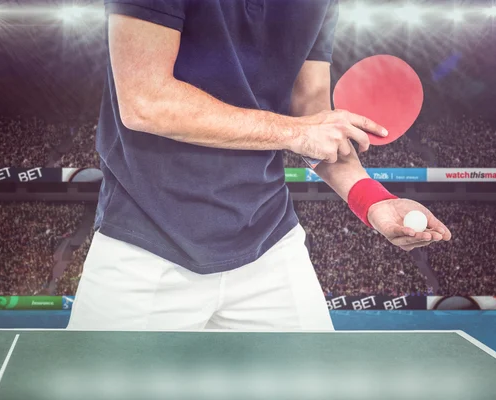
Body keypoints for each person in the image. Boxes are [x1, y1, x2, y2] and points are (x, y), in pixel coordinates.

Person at [67, 0, 451, 331]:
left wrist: (373, 201)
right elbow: (145, 101)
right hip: (144, 246)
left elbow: (312, 116)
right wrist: (293, 131)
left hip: (268, 245)